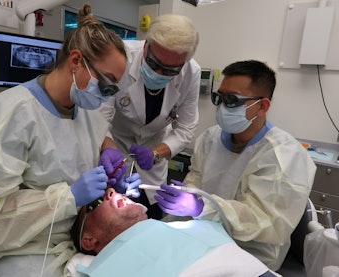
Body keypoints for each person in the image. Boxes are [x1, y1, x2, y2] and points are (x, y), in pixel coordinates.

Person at [0, 4, 135, 277]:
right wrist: (67, 197)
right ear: (76, 61)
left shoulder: (87, 111)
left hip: (66, 246)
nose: (107, 96)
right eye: (106, 84)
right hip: (14, 253)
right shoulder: (10, 116)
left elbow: (92, 138)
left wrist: (109, 158)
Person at [154, 60, 317, 271]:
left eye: (231, 100)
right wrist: (182, 196)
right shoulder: (210, 138)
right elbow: (196, 179)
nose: (221, 107)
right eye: (219, 98)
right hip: (202, 235)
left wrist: (202, 207)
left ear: (262, 106)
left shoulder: (285, 155)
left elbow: (265, 222)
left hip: (250, 253)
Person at [98, 14, 201, 218]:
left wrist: (156, 153)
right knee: (109, 219)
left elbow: (186, 127)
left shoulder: (191, 73)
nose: (160, 73)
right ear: (146, 45)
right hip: (113, 149)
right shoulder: (120, 57)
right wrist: (108, 148)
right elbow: (99, 117)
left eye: (170, 70)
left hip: (153, 162)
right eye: (154, 64)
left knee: (150, 218)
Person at [64, 187, 279, 277]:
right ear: (89, 240)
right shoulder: (98, 267)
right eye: (96, 202)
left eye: (110, 189)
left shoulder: (185, 226)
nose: (111, 191)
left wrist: (200, 208)